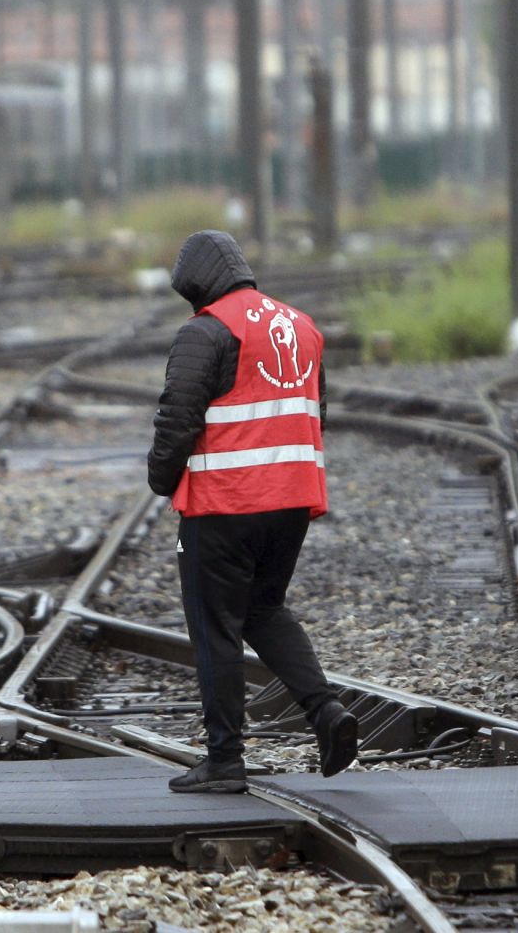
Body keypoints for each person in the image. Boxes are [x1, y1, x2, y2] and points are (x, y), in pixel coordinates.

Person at [147, 230, 358, 794]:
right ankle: (326, 711)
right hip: (290, 500)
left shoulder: (206, 331)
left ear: (198, 285)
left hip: (224, 504)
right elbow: (318, 410)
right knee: (264, 609)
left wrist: (160, 479)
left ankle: (224, 759)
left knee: (214, 627)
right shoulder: (303, 325)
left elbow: (178, 418)